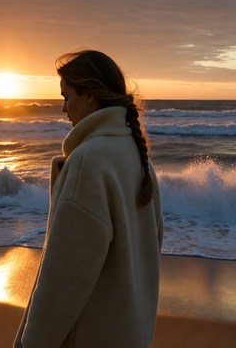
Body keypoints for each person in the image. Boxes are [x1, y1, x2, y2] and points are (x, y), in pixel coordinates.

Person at [14, 50, 163, 348]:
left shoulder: (88, 162)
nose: (63, 108)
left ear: (91, 95)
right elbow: (153, 242)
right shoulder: (137, 157)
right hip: (131, 333)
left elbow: (65, 279)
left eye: (67, 97)